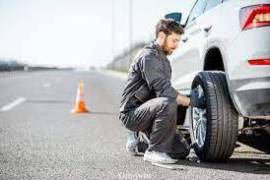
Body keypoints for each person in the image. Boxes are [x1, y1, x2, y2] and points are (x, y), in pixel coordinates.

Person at [119, 19, 205, 164]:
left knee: (181, 151)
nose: (177, 46)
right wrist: (191, 101)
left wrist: (186, 98)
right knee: (168, 102)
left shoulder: (164, 60)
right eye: (174, 40)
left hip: (149, 112)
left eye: (178, 41)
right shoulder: (148, 57)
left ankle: (140, 144)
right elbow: (163, 91)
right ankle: (154, 151)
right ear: (161, 36)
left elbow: (164, 91)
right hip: (131, 113)